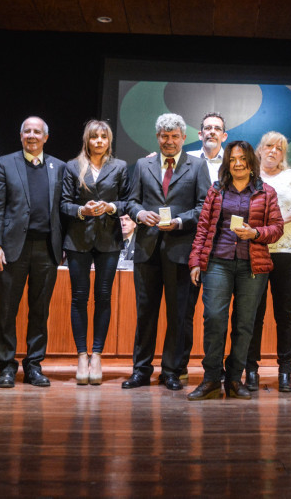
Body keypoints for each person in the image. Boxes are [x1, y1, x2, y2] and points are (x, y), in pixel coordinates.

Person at [187, 141, 284, 400]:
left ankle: (233, 379)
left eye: (242, 159)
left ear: (251, 162)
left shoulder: (267, 192)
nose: (238, 163)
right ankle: (210, 379)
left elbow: (277, 228)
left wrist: (255, 233)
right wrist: (195, 260)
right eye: (233, 159)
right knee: (214, 319)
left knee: (244, 325)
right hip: (218, 262)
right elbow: (204, 227)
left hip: (253, 266)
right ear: (227, 164)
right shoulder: (216, 190)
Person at [123, 113, 211, 390]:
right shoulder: (142, 164)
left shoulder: (197, 166)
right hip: (147, 250)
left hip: (180, 250)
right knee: (145, 312)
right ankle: (141, 370)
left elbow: (204, 207)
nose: (169, 141)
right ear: (158, 137)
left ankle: (172, 371)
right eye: (164, 136)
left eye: (174, 136)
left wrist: (181, 220)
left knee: (178, 314)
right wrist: (139, 214)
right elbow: (131, 201)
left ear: (184, 138)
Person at [0, 116, 65, 389]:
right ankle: (7, 367)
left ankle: (33, 366)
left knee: (39, 311)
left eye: (37, 132)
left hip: (47, 249)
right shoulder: (5, 163)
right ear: (21, 136)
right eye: (27, 131)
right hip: (11, 250)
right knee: (7, 311)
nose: (32, 135)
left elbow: (63, 210)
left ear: (46, 137)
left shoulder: (60, 167)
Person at [60, 119, 129, 385]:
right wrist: (81, 210)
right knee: (79, 297)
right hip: (77, 240)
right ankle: (81, 355)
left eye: (103, 137)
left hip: (109, 240)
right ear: (86, 140)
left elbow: (127, 201)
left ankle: (97, 355)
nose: (99, 141)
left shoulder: (120, 166)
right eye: (94, 137)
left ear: (109, 140)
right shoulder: (71, 166)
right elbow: (64, 204)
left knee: (103, 297)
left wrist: (111, 207)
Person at [244, 131, 291, 392]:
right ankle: (250, 369)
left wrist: (275, 222)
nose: (273, 151)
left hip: (287, 250)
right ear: (259, 149)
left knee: (285, 312)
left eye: (279, 148)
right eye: (269, 146)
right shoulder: (249, 176)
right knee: (253, 313)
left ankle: (285, 371)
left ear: (283, 154)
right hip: (255, 249)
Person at [178, 112, 228, 382]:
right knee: (185, 310)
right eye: (206, 128)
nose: (211, 132)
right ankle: (180, 366)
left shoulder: (233, 164)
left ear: (224, 135)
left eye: (216, 128)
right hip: (189, 243)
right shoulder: (186, 161)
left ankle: (216, 368)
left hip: (221, 248)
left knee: (216, 313)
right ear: (199, 134)